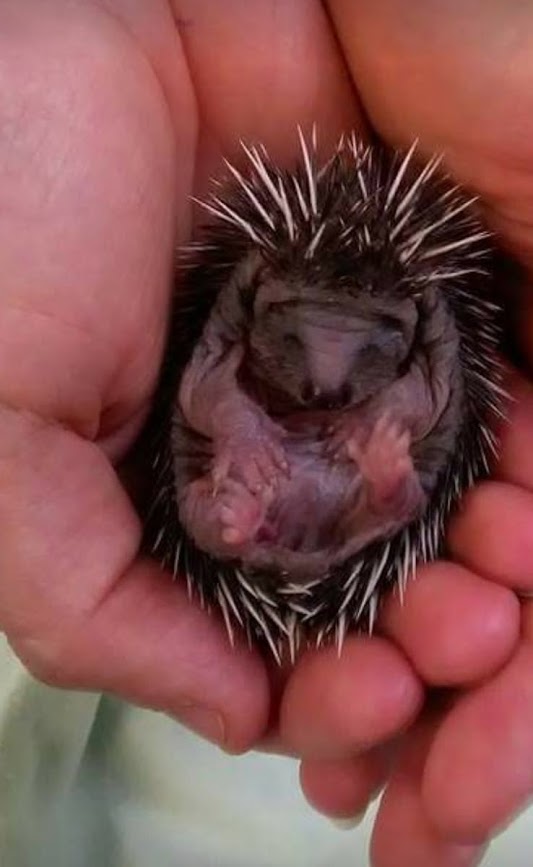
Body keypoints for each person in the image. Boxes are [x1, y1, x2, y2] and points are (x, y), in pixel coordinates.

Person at [1, 2, 533, 865]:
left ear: (411, 331)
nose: (324, 378)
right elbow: (210, 384)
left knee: (360, 463)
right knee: (235, 429)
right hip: (271, 443)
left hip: (334, 467)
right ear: (257, 301)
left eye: (359, 353)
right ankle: (267, 509)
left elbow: (436, 400)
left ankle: (349, 499)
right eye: (298, 334)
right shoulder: (247, 306)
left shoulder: (426, 342)